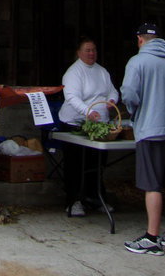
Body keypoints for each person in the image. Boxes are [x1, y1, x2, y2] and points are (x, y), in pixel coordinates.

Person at [121, 22, 165, 256]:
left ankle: (151, 237)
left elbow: (129, 93)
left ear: (140, 40)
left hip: (150, 129)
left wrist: (134, 110)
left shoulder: (137, 62)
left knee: (153, 185)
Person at [58, 36, 119, 217]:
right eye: (87, 50)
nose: (91, 53)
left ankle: (95, 197)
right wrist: (87, 112)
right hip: (75, 123)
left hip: (100, 125)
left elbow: (112, 90)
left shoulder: (102, 71)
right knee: (75, 163)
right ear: (78, 53)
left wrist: (112, 100)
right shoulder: (74, 73)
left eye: (93, 50)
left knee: (97, 162)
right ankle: (73, 200)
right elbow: (72, 97)